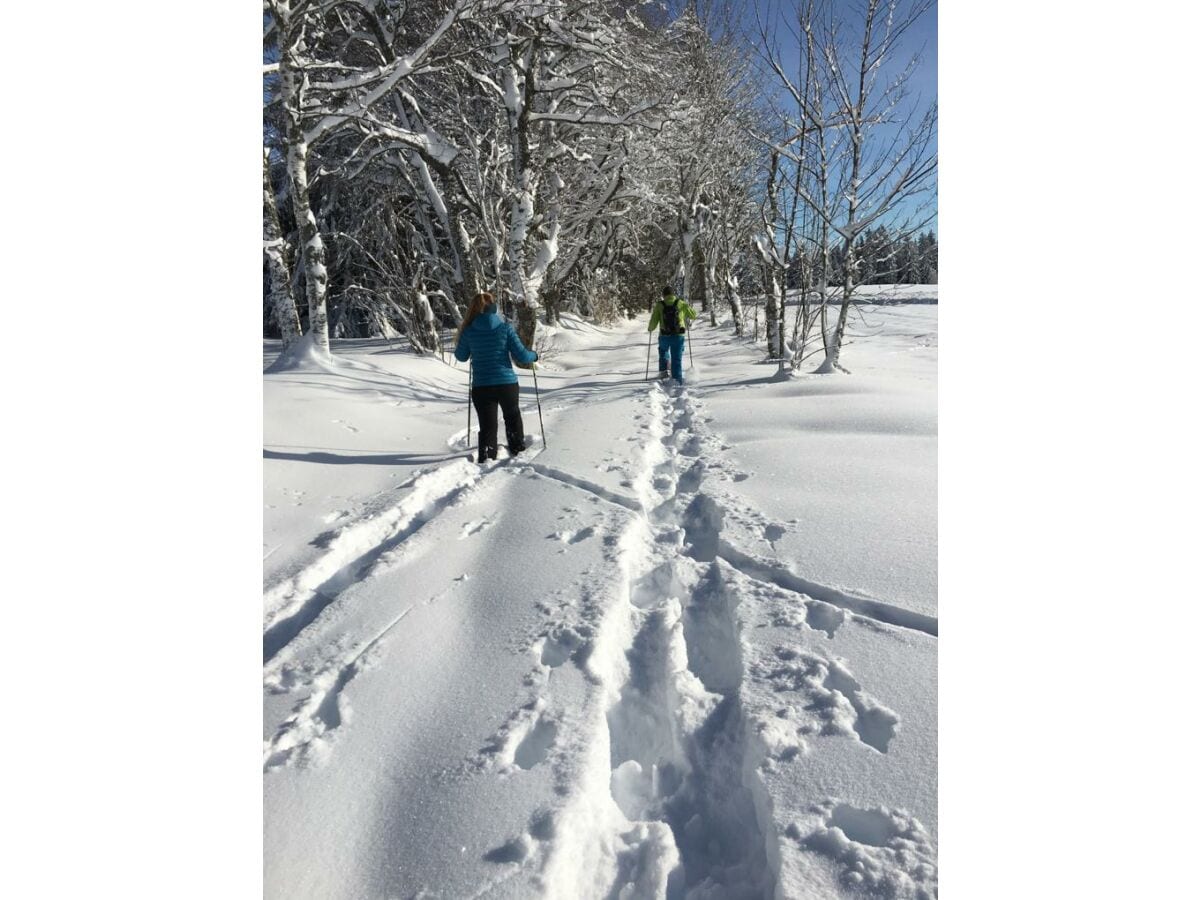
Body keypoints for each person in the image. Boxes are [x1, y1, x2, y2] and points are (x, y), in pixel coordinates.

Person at [454, 292, 539, 462]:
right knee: (512, 416)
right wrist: (534, 356)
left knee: (487, 425)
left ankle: (487, 457)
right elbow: (522, 356)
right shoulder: (505, 329)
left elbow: (461, 356)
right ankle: (517, 450)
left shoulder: (469, 331)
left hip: (481, 386)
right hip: (506, 383)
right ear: (493, 308)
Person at [648, 286, 698, 383]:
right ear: (673, 294)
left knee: (663, 352)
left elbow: (654, 320)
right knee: (676, 358)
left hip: (664, 335)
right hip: (678, 336)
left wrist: (650, 328)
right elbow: (693, 315)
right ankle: (677, 379)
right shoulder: (680, 303)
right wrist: (685, 307)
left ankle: (663, 373)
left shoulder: (660, 305)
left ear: (664, 295)